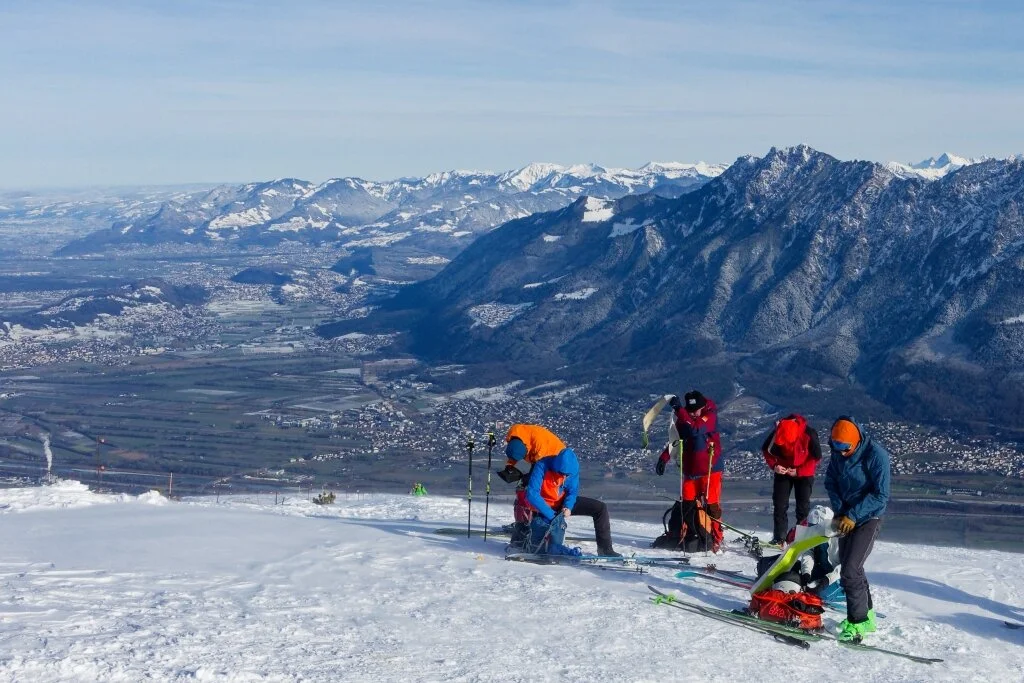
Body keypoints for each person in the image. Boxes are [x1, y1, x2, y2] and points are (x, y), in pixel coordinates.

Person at [499, 424, 620, 557]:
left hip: (561, 506)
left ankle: (605, 550)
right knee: (524, 492)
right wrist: (552, 516)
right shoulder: (542, 465)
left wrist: (568, 506)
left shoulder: (572, 469)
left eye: (567, 475)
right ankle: (523, 530)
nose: (564, 477)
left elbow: (572, 491)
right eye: (561, 473)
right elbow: (532, 495)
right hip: (546, 506)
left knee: (600, 508)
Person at [823, 416, 891, 642]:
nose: (841, 453)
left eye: (846, 449)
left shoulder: (876, 456)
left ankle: (858, 622)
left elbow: (881, 495)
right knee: (851, 567)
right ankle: (867, 615)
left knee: (850, 570)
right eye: (837, 448)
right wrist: (840, 512)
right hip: (846, 516)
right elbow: (831, 482)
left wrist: (853, 515)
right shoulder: (838, 453)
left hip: (869, 517)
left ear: (856, 441)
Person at [654, 390, 724, 550]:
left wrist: (680, 411)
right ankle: (692, 534)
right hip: (691, 470)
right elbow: (676, 439)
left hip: (711, 469)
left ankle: (716, 537)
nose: (693, 414)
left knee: (712, 506)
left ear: (703, 406)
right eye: (690, 411)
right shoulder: (685, 417)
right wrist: (664, 458)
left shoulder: (710, 415)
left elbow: (696, 429)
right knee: (687, 503)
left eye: (696, 410)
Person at [761, 414, 822, 544]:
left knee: (802, 507)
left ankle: (801, 538)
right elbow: (767, 451)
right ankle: (779, 538)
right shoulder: (778, 431)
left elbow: (815, 458)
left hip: (804, 472)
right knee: (780, 505)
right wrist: (775, 466)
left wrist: (799, 471)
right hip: (783, 470)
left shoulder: (809, 434)